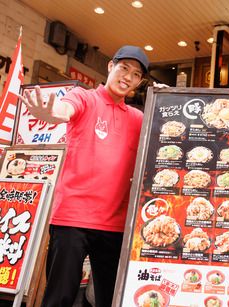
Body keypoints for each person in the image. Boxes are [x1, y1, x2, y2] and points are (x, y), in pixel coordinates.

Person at [21, 45, 149, 307]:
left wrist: (169, 102)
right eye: (124, 68)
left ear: (139, 81)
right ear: (111, 66)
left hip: (115, 224)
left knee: (110, 300)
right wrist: (51, 113)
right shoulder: (84, 97)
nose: (128, 77)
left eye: (136, 74)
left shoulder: (138, 118)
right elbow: (65, 109)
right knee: (59, 298)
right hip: (72, 219)